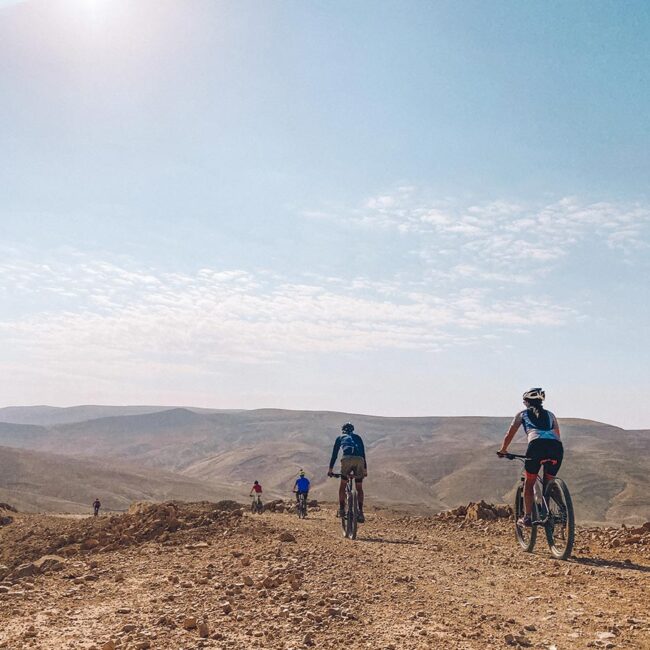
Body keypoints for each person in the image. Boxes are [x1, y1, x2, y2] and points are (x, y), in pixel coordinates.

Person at [498, 388, 563, 527]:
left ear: (527, 402)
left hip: (536, 447)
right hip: (556, 448)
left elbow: (509, 434)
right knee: (549, 482)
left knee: (529, 483)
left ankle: (527, 517)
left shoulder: (522, 414)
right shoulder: (551, 415)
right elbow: (557, 434)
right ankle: (563, 512)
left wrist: (503, 450)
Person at [327, 422, 367, 523]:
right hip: (359, 460)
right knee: (359, 487)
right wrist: (365, 469)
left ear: (343, 430)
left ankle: (341, 509)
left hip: (347, 459)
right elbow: (363, 453)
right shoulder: (358, 437)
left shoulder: (340, 437)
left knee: (343, 484)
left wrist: (330, 469)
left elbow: (334, 455)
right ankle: (361, 512)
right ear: (352, 430)